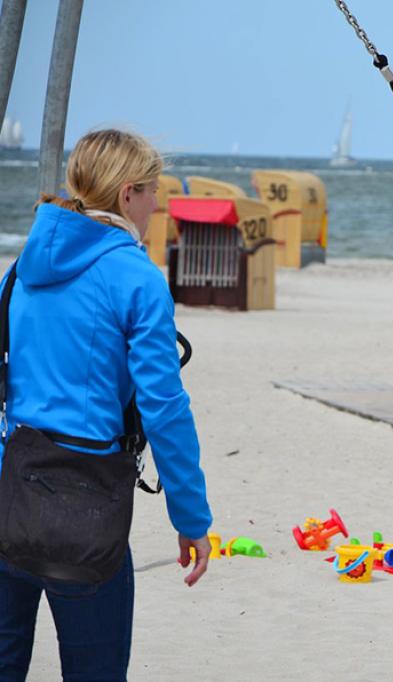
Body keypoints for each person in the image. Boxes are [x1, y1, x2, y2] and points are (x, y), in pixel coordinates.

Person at [0, 129, 213, 681]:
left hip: (9, 494)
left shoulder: (22, 270)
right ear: (126, 195)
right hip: (85, 506)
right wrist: (190, 518)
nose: (158, 201)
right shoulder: (136, 278)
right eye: (152, 189)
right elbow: (164, 407)